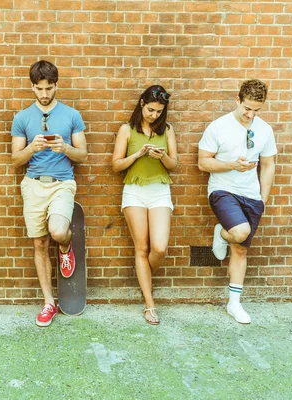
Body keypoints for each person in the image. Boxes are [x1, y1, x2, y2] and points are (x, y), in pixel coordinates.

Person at [11, 60, 88, 327]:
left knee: (57, 232)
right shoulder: (22, 118)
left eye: (49, 88)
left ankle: (66, 247)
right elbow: (15, 160)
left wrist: (65, 148)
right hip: (33, 184)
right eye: (39, 89)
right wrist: (32, 148)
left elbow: (83, 155)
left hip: (62, 183)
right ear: (32, 86)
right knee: (39, 243)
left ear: (57, 85)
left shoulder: (71, 115)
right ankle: (48, 303)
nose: (44, 94)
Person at [198, 79, 277, 324]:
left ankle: (234, 303)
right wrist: (232, 165)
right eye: (247, 108)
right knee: (240, 232)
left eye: (256, 110)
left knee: (241, 248)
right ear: (237, 99)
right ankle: (223, 233)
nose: (250, 114)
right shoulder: (218, 127)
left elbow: (268, 165)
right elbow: (203, 162)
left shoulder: (264, 129)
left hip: (251, 195)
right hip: (223, 190)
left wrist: (262, 199)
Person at [111, 85, 178, 325]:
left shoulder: (167, 130)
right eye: (151, 110)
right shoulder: (126, 130)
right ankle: (149, 304)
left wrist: (163, 157)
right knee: (142, 248)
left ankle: (143, 277)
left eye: (159, 112)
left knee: (158, 248)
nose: (154, 115)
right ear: (141, 104)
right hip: (134, 192)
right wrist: (137, 155)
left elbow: (173, 165)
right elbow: (116, 165)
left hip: (159, 190)